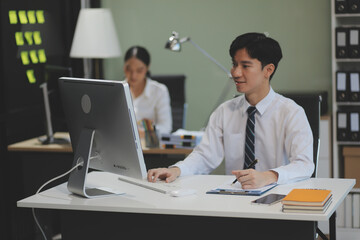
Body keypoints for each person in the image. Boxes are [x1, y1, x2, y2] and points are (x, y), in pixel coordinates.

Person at [147, 32, 314, 189]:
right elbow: (205, 155)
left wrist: (269, 176)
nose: (235, 72)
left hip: (276, 198)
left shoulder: (291, 112)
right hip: (234, 199)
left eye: (245, 66)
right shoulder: (225, 112)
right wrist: (176, 170)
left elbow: (304, 164)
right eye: (234, 64)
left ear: (268, 70)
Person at [124, 46, 172, 135]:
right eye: (129, 69)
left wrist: (144, 132)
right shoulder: (118, 90)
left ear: (147, 68)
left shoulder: (159, 91)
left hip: (150, 145)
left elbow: (166, 127)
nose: (133, 75)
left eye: (139, 70)